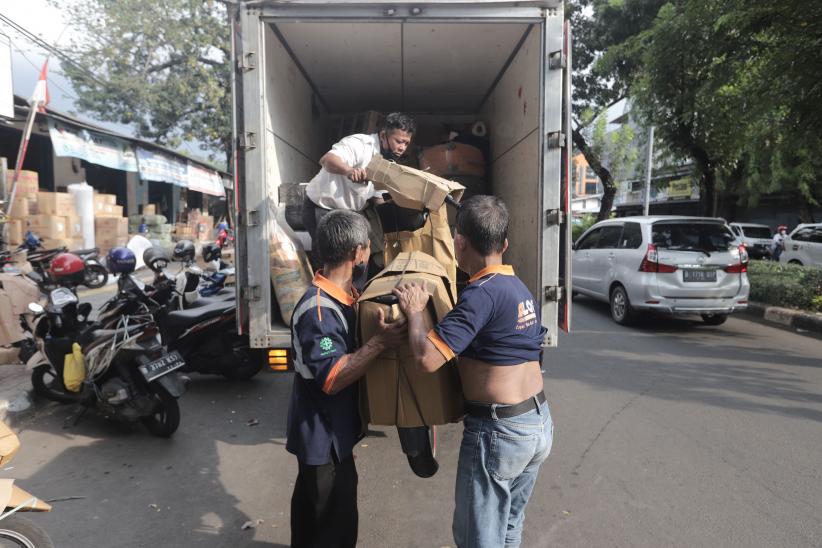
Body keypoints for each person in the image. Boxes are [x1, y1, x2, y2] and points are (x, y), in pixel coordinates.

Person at [393, 195, 553, 548]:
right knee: (508, 527)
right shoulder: (518, 288)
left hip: (501, 431)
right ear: (504, 244)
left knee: (477, 538)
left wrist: (416, 311)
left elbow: (426, 359)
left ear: (460, 242)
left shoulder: (481, 294)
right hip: (537, 423)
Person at [286, 209, 407, 548]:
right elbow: (333, 377)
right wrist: (380, 343)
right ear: (357, 253)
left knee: (312, 521)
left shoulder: (347, 296)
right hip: (323, 440)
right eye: (368, 246)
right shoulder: (319, 311)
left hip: (333, 437)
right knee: (334, 531)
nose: (369, 252)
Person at [302, 112, 417, 280]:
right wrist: (349, 171)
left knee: (360, 262)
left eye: (406, 143)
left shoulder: (387, 163)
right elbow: (327, 160)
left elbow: (378, 199)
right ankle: (328, 294)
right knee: (333, 266)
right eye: (398, 141)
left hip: (348, 214)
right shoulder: (360, 144)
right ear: (383, 135)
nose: (402, 148)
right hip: (321, 208)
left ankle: (354, 296)